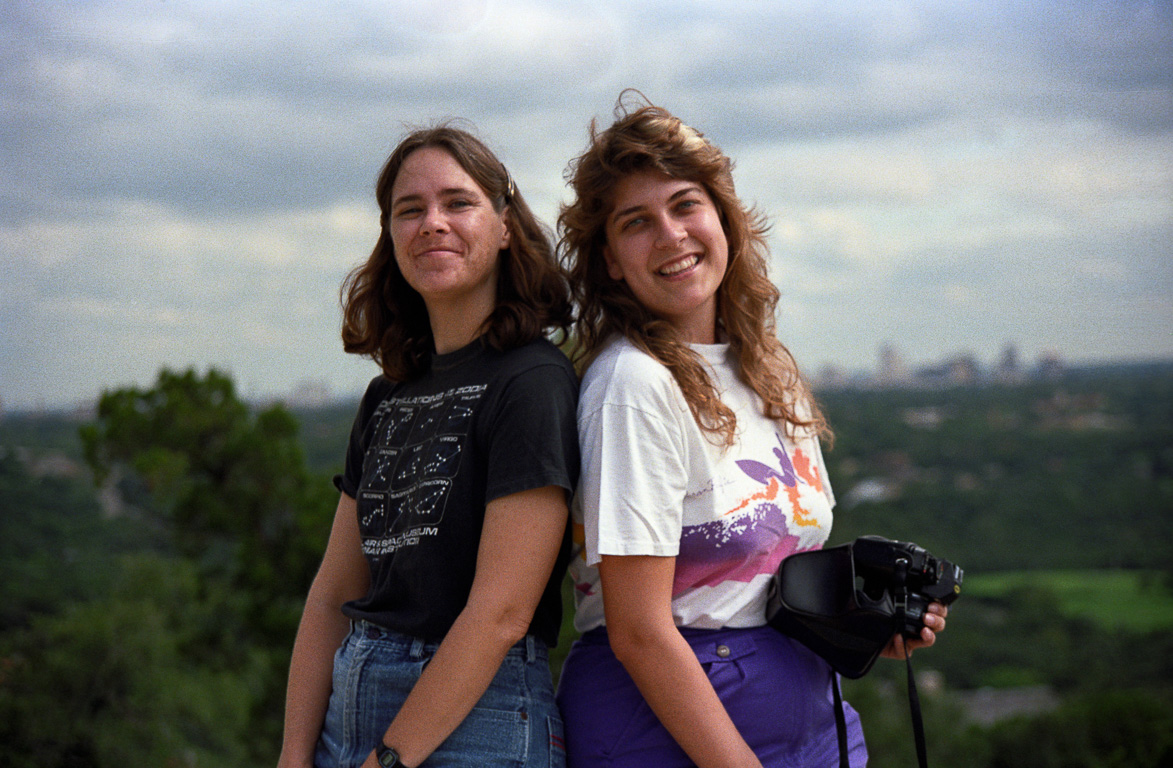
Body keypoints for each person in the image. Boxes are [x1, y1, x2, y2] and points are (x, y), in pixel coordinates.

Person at [554, 95, 948, 768]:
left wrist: (863, 625)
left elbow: (760, 579)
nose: (671, 235)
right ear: (611, 261)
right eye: (636, 223)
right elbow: (639, 630)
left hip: (809, 717)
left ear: (723, 220)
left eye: (685, 205)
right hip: (670, 737)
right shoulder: (633, 385)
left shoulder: (766, 369)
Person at [277, 124, 579, 768]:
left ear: (504, 226)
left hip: (477, 714)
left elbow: (501, 611)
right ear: (390, 236)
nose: (432, 223)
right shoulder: (387, 397)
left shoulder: (532, 380)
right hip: (350, 703)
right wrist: (294, 754)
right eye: (409, 210)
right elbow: (333, 593)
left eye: (458, 203)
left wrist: (389, 760)